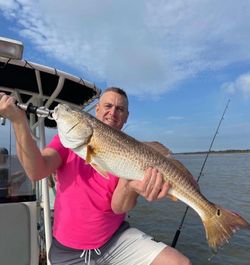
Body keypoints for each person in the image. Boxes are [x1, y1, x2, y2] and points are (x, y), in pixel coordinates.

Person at [0, 88, 191, 265]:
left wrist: (131, 187)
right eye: (108, 106)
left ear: (126, 117)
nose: (113, 112)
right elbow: (37, 170)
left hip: (114, 241)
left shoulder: (133, 154)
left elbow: (119, 206)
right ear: (97, 109)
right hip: (67, 251)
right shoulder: (66, 142)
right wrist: (19, 122)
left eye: (120, 109)